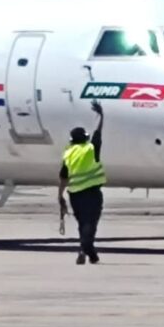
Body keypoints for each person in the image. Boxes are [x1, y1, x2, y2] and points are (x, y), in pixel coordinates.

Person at [60, 104, 107, 265]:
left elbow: (63, 177)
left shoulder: (68, 153)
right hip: (92, 194)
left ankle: (84, 250)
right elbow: (98, 133)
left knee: (82, 224)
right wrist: (101, 116)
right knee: (90, 224)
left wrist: (60, 196)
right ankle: (88, 249)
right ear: (86, 138)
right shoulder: (91, 149)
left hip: (75, 195)